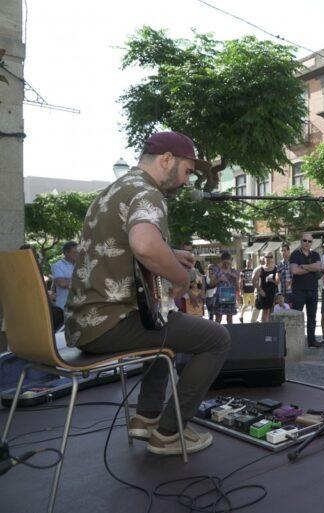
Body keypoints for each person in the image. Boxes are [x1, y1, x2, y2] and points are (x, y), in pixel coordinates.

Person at [64, 131, 230, 456]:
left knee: (163, 323)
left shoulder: (113, 191)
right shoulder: (147, 192)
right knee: (216, 339)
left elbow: (125, 247)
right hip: (110, 323)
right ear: (167, 159)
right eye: (187, 171)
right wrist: (181, 276)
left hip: (83, 323)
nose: (186, 181)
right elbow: (143, 245)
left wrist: (170, 253)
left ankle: (147, 416)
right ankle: (170, 432)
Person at [290, 233, 323, 347]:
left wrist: (303, 266)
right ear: (301, 241)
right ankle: (295, 342)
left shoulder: (315, 254)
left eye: (309, 241)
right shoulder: (295, 254)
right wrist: (311, 268)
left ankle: (311, 341)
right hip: (298, 291)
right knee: (296, 317)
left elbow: (318, 267)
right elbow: (294, 271)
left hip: (313, 290)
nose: (307, 243)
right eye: (305, 240)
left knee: (312, 318)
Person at [210, 252, 240, 324]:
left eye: (228, 263)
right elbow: (211, 284)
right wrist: (219, 279)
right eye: (224, 263)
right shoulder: (217, 270)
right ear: (221, 261)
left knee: (230, 319)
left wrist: (235, 279)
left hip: (230, 296)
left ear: (231, 261)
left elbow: (237, 288)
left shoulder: (234, 271)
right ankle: (217, 331)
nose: (226, 265)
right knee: (218, 318)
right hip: (220, 296)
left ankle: (230, 331)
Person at [51, 241, 78, 309]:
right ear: (66, 253)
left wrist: (68, 280)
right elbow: (62, 283)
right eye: (74, 252)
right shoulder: (57, 266)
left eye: (78, 252)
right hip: (64, 306)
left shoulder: (81, 265)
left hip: (79, 306)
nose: (77, 254)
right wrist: (82, 279)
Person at [253, 253, 278, 322]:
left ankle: (269, 327)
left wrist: (272, 280)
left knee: (273, 312)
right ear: (264, 258)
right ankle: (265, 327)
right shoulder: (260, 269)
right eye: (267, 257)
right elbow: (253, 281)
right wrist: (260, 290)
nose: (268, 258)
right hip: (264, 293)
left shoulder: (276, 269)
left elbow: (278, 282)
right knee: (265, 312)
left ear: (273, 258)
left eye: (270, 257)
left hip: (273, 293)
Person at [239, 258, 255, 323]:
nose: (249, 264)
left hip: (253, 290)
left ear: (251, 263)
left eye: (250, 263)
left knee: (253, 305)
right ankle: (241, 316)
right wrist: (241, 290)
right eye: (248, 262)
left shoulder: (253, 270)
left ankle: (253, 319)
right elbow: (240, 281)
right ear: (246, 263)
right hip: (246, 291)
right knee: (245, 305)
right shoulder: (243, 271)